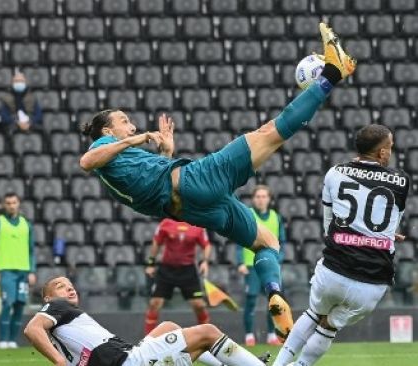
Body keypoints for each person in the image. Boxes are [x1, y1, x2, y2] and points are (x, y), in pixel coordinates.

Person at [78, 22, 356, 340]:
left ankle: (274, 293)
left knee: (268, 242)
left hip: (192, 209)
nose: (131, 125)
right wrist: (137, 139)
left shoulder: (117, 163)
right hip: (197, 181)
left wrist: (166, 151)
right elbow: (86, 161)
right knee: (272, 133)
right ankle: (333, 73)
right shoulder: (102, 147)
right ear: (106, 131)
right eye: (124, 121)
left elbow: (148, 181)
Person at [273, 124, 409, 366]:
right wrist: (383, 237)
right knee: (329, 326)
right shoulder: (401, 181)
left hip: (334, 269)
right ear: (381, 153)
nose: (391, 151)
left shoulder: (335, 173)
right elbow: (391, 223)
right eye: (390, 147)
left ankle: (279, 364)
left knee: (314, 314)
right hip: (372, 283)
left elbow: (329, 223)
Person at [24, 276, 272, 366]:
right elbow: (32, 328)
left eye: (70, 285)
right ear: (48, 298)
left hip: (131, 356)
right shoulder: (56, 307)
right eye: (60, 286)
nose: (69, 289)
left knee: (169, 327)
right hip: (130, 361)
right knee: (207, 331)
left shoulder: (62, 329)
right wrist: (57, 361)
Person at [236, 185, 286, 346]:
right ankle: (249, 335)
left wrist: (279, 259)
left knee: (273, 299)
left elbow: (282, 242)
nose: (261, 199)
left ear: (269, 199)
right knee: (251, 299)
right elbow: (238, 240)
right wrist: (240, 262)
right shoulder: (248, 214)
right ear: (253, 198)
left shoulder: (275, 217)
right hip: (251, 266)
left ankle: (271, 334)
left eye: (264, 196)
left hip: (270, 266)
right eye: (258, 196)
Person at [144, 218, 213, 335]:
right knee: (154, 303)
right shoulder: (166, 223)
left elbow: (206, 245)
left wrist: (205, 261)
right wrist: (151, 263)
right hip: (166, 269)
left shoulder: (198, 224)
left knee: (199, 305)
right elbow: (157, 242)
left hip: (188, 271)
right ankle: (147, 341)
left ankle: (207, 337)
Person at [0, 192, 36, 349]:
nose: (11, 205)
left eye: (14, 202)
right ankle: (3, 340)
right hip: (6, 271)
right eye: (8, 203)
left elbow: (31, 250)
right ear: (4, 205)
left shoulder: (26, 225)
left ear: (18, 203)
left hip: (23, 271)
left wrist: (32, 271)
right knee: (7, 303)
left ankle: (13, 341)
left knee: (20, 305)